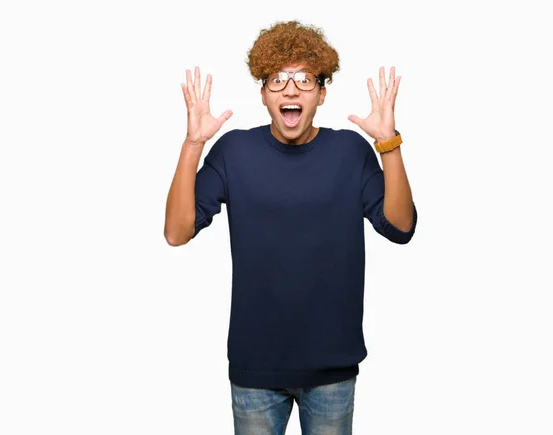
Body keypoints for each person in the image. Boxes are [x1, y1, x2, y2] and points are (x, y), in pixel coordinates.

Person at [164, 20, 417, 435]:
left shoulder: (350, 151)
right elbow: (177, 232)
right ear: (263, 94)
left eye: (304, 79)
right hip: (255, 369)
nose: (291, 89)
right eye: (278, 79)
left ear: (321, 92)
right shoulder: (234, 151)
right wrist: (193, 145)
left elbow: (400, 226)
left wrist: (387, 143)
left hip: (332, 369)